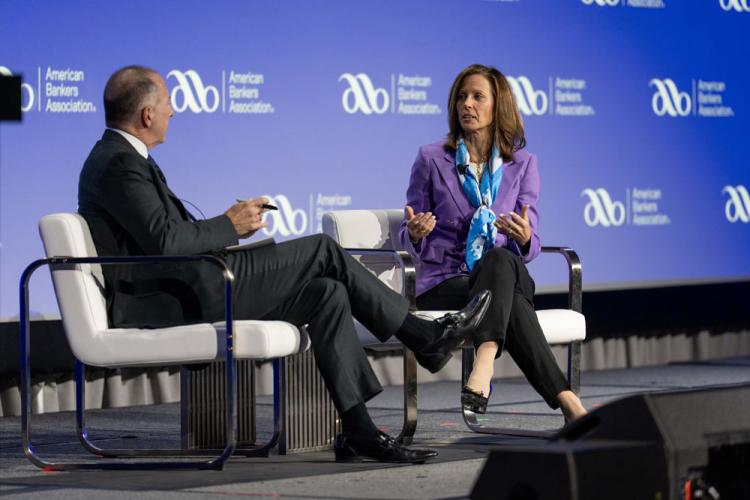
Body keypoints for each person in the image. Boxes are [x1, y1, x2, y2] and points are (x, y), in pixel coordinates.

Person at [78, 65, 492, 464]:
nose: (173, 110)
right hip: (170, 300)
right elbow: (166, 242)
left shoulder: (126, 157)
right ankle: (423, 335)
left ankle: (358, 430)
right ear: (147, 114)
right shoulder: (118, 162)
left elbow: (161, 235)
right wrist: (228, 225)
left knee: (327, 294)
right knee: (322, 250)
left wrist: (228, 226)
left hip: (189, 283)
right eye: (168, 103)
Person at [398, 64, 587, 422]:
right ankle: (569, 403)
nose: (466, 104)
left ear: (497, 105)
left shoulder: (523, 164)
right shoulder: (431, 158)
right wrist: (416, 233)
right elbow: (408, 231)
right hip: (445, 281)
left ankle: (484, 359)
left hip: (501, 273)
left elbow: (530, 244)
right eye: (461, 97)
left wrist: (525, 236)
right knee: (510, 300)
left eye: (477, 97)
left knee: (500, 259)